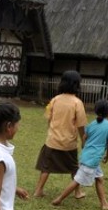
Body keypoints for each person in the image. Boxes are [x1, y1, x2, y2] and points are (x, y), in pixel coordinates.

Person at [51, 99, 108, 210]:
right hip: (93, 159)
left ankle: (104, 204)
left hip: (86, 156)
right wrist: (107, 156)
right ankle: (59, 199)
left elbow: (84, 137)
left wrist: (85, 146)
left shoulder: (91, 125)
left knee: (99, 179)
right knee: (77, 181)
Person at [33, 70, 87, 199]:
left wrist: (51, 133)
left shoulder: (55, 100)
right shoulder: (77, 103)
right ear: (76, 85)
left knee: (46, 167)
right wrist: (83, 140)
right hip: (69, 143)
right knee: (74, 167)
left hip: (52, 140)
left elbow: (49, 119)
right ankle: (77, 192)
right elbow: (81, 125)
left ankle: (38, 190)